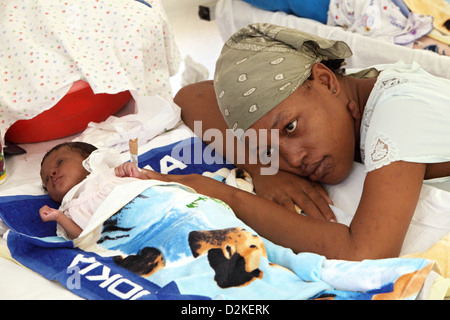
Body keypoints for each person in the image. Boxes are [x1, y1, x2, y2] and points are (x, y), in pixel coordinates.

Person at [171, 23, 450, 260]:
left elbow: (366, 252)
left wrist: (230, 198)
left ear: (326, 80)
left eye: (290, 127)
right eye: (269, 150)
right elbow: (192, 96)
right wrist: (263, 170)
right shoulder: (344, 91)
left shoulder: (398, 111)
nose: (292, 159)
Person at [39, 142, 148, 239]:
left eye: (60, 162)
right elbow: (84, 239)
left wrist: (136, 175)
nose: (51, 173)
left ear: (89, 158)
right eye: (47, 179)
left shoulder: (114, 174)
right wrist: (58, 216)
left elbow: (151, 188)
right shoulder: (71, 212)